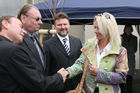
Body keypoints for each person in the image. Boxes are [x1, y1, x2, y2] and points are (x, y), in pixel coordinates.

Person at [0, 15, 68, 93]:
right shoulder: (13, 51)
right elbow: (39, 84)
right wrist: (59, 76)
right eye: (20, 27)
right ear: (5, 24)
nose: (24, 31)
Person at [65, 12, 129, 93]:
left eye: (98, 28)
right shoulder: (90, 45)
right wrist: (67, 72)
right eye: (94, 27)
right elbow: (80, 64)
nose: (95, 31)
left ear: (108, 29)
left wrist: (99, 73)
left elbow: (121, 77)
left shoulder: (120, 51)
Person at [43, 12, 82, 93]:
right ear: (55, 27)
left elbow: (81, 63)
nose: (63, 27)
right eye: (59, 25)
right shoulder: (48, 45)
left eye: (65, 24)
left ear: (69, 25)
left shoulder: (77, 41)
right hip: (58, 88)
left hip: (77, 88)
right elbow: (46, 70)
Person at [120, 25, 137, 93]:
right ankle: (122, 90)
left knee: (130, 77)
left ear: (131, 30)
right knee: (122, 76)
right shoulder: (120, 37)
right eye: (127, 29)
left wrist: (130, 53)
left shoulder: (135, 38)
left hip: (131, 60)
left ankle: (129, 90)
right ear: (124, 29)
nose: (128, 30)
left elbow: (135, 49)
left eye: (129, 29)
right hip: (122, 59)